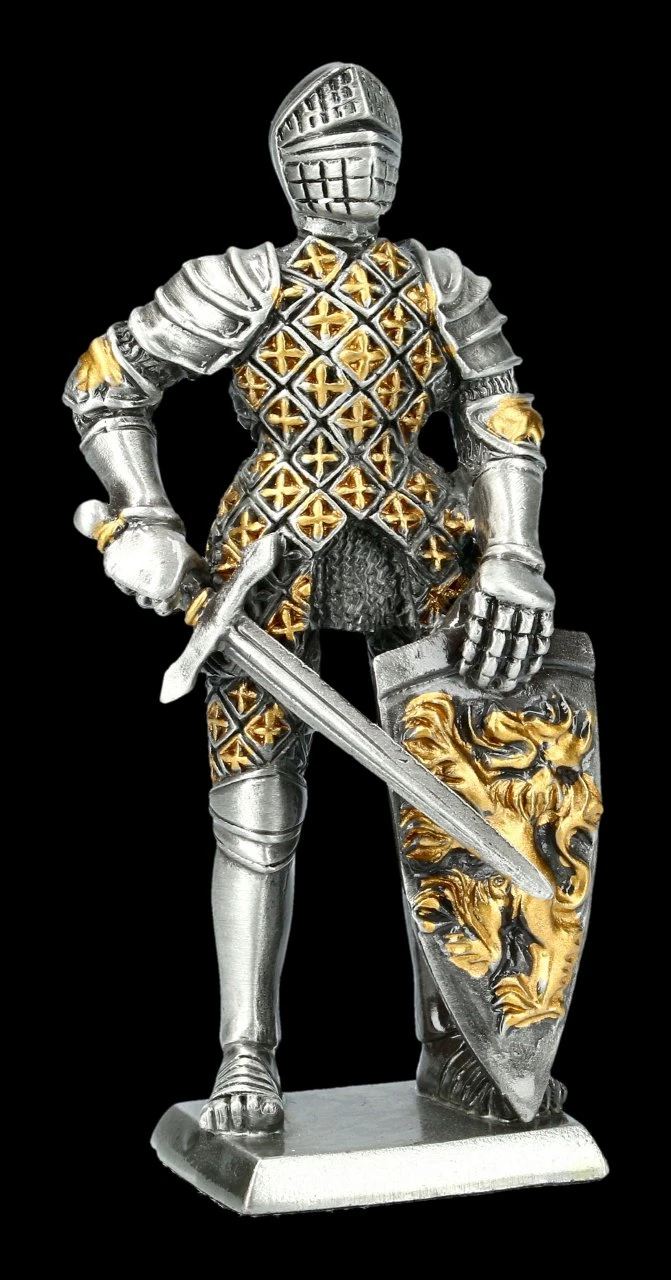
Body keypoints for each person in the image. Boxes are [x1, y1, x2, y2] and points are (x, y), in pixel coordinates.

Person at [64, 63, 554, 1135]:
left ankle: (463, 1045)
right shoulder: (244, 280)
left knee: (453, 791)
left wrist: (513, 552)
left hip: (429, 548)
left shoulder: (440, 282)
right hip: (265, 562)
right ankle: (245, 1049)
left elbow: (499, 412)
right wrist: (144, 513)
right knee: (255, 805)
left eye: (374, 145)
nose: (357, 162)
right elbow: (107, 380)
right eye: (337, 149)